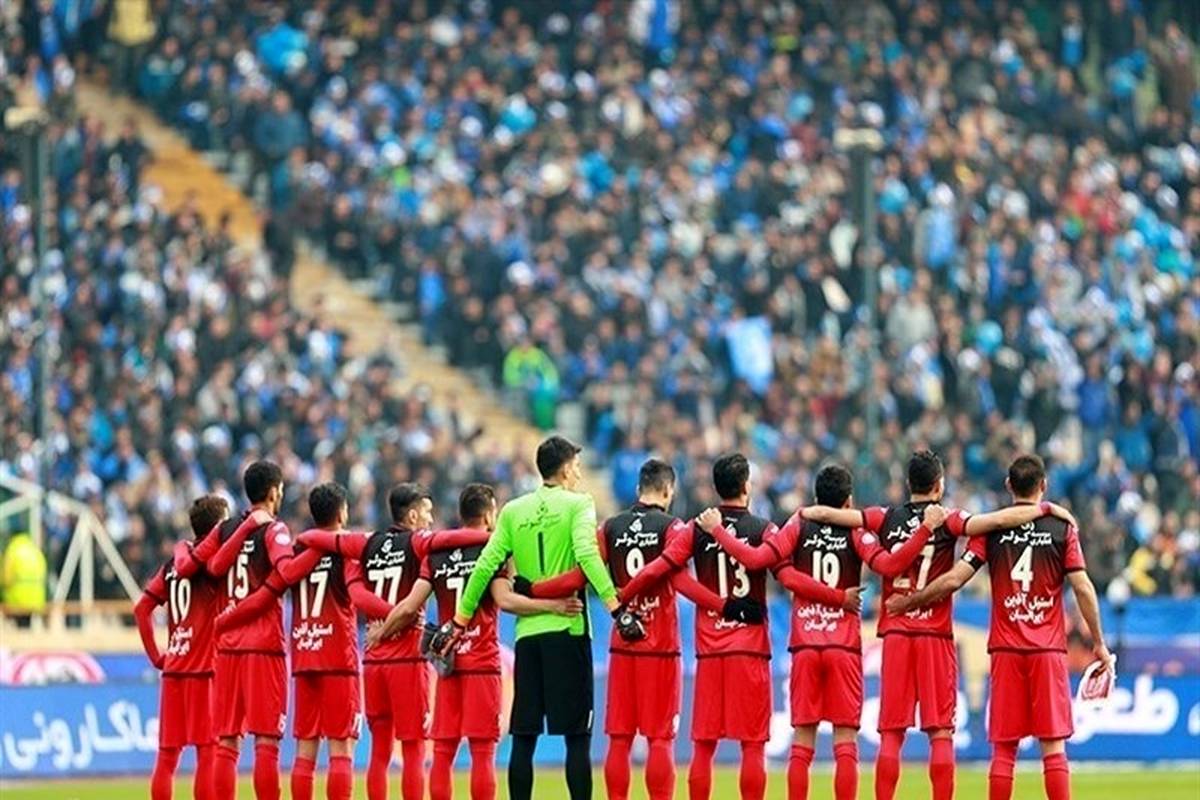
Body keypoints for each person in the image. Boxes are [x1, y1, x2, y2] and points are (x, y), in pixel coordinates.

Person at [795, 451, 1078, 800]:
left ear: (908, 483)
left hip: (897, 634)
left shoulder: (884, 517)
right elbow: (997, 521)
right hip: (935, 635)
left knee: (891, 734)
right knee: (941, 732)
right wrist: (1046, 508)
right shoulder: (949, 519)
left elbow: (833, 514)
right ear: (939, 485)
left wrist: (807, 512)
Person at [519, 458, 762, 800]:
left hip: (623, 645)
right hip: (660, 648)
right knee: (659, 738)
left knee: (619, 739)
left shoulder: (611, 527)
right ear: (668, 490)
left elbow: (580, 576)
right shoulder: (673, 528)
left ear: (638, 489)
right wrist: (725, 606)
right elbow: (680, 581)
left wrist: (534, 589)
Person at [694, 463, 940, 800]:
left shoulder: (799, 523)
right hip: (843, 647)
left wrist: (719, 532)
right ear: (849, 501)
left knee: (802, 742)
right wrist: (924, 530)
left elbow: (770, 566)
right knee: (845, 743)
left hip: (806, 644)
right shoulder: (856, 531)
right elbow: (890, 565)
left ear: (815, 497)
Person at [887, 454, 1112, 800]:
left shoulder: (992, 531)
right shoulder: (1062, 529)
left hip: (1006, 650)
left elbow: (955, 579)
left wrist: (911, 601)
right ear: (1044, 485)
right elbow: (1082, 587)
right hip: (1047, 649)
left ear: (1009, 486)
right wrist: (1098, 642)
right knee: (1053, 747)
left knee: (1004, 750)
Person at [437, 435, 629, 800]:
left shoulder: (513, 510)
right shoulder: (579, 504)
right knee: (577, 737)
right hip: (569, 629)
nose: (578, 472)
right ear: (566, 468)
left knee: (524, 737)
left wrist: (460, 620)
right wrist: (615, 606)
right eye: (576, 465)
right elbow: (587, 555)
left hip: (527, 636)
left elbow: (485, 566)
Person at [369, 482, 586, 800]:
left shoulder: (436, 554)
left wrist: (382, 631)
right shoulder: (494, 550)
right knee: (483, 752)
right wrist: (553, 606)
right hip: (482, 663)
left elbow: (409, 606)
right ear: (488, 515)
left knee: (442, 751)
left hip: (448, 662)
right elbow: (505, 600)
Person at [214, 482, 363, 800]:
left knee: (304, 751)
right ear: (341, 512)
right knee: (340, 748)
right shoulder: (346, 553)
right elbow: (360, 596)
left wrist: (225, 620)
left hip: (304, 658)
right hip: (337, 659)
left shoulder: (296, 550)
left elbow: (269, 584)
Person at [301, 483, 435, 800]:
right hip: (408, 661)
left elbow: (322, 541)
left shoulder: (367, 543)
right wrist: (397, 620)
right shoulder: (420, 543)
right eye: (427, 512)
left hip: (374, 662)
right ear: (412, 516)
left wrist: (300, 537)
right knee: (414, 750)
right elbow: (454, 541)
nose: (431, 519)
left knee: (379, 751)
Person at [173, 460, 292, 800]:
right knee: (266, 741)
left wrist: (181, 546)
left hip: (226, 650)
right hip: (264, 647)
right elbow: (286, 571)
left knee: (227, 743)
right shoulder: (275, 530)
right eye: (281, 489)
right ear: (273, 492)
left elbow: (195, 566)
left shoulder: (224, 530)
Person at [134, 495, 245, 800]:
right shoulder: (213, 563)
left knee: (167, 756)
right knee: (208, 752)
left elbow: (142, 609)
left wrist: (158, 657)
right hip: (205, 670)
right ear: (218, 526)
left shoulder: (173, 565)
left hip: (174, 671)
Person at [1, 529, 46, 628]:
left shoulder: (12, 550)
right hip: (36, 599)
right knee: (26, 626)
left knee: (19, 627)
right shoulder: (34, 549)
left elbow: (6, 578)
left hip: (17, 600)